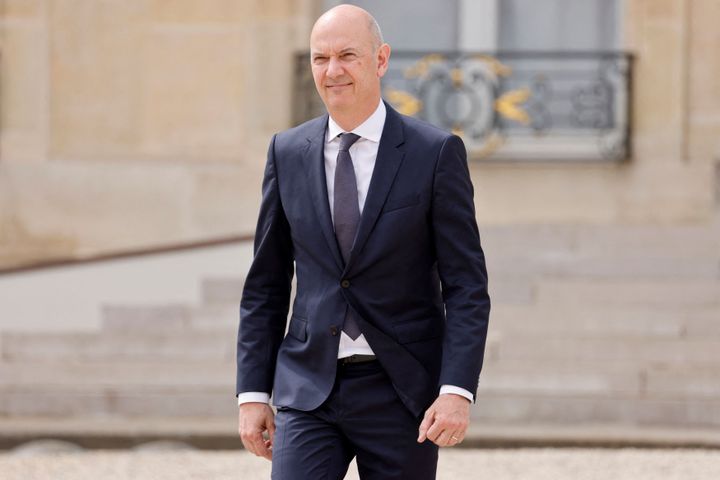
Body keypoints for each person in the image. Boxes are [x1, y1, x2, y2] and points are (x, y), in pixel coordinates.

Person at [236, 5, 490, 479]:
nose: (333, 71)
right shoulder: (287, 153)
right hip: (309, 386)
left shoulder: (433, 154)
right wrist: (253, 395)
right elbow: (266, 284)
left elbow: (466, 287)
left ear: (380, 59)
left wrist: (456, 390)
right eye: (320, 58)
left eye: (347, 55)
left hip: (401, 391)